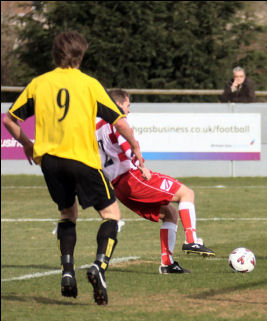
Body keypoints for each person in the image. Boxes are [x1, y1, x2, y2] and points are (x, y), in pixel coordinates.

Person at [2, 31, 144, 305]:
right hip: (82, 160)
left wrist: (27, 144)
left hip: (50, 162)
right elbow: (118, 120)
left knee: (68, 214)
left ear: (55, 53)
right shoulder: (89, 85)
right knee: (111, 214)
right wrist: (135, 145)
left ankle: (67, 271)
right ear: (82, 55)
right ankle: (99, 267)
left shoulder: (39, 83)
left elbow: (10, 120)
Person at [95, 89, 215, 274]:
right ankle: (191, 240)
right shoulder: (117, 122)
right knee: (186, 193)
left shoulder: (96, 126)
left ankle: (167, 264)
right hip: (132, 177)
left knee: (170, 214)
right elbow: (127, 145)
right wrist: (140, 166)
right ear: (118, 105)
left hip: (119, 187)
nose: (129, 111)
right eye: (128, 105)